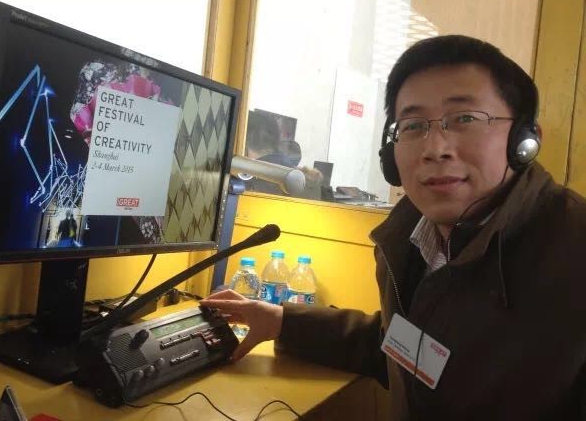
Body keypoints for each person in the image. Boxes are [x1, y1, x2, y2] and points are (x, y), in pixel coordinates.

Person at [201, 35, 586, 420]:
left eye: (465, 119)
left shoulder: (573, 250)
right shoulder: (413, 239)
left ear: (525, 139)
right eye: (414, 125)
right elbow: (412, 352)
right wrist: (283, 322)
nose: (435, 148)